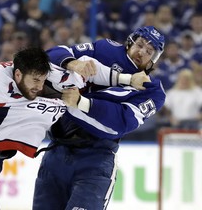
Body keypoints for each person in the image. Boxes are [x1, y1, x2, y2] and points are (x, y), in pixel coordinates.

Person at [0, 47, 147, 210]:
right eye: (33, 81)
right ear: (17, 74)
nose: (38, 86)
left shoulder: (56, 77)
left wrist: (128, 79)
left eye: (42, 80)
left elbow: (93, 72)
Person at [32, 26, 166, 210]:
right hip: (56, 152)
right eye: (140, 44)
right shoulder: (105, 49)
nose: (141, 52)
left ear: (153, 61)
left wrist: (82, 103)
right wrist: (73, 63)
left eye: (149, 51)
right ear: (130, 42)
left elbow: (121, 122)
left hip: (95, 161)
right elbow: (52, 54)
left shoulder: (153, 91)